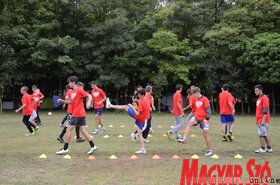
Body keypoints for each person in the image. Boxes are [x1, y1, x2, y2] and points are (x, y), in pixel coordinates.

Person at [56, 76, 97, 155]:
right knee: (83, 131)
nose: (69, 84)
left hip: (78, 114)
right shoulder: (73, 92)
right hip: (79, 114)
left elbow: (89, 96)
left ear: (73, 82)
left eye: (69, 82)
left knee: (68, 129)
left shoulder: (79, 90)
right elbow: (71, 102)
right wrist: (62, 101)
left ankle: (65, 149)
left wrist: (88, 103)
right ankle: (93, 146)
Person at [106, 88, 150, 154]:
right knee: (139, 134)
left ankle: (109, 105)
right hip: (142, 118)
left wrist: (132, 107)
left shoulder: (141, 102)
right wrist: (137, 100)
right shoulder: (144, 99)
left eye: (138, 94)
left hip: (140, 118)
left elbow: (138, 113)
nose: (137, 95)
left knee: (125, 107)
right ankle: (143, 149)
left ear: (142, 95)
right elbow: (142, 106)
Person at [178, 87, 213, 156]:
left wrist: (207, 119)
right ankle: (184, 138)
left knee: (205, 134)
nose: (192, 95)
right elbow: (193, 108)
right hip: (197, 116)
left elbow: (208, 110)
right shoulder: (194, 99)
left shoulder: (204, 99)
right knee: (190, 123)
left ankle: (210, 150)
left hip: (204, 119)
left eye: (193, 94)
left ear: (197, 93)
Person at [254, 85, 272, 153]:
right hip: (260, 119)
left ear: (261, 90)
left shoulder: (264, 98)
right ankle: (269, 148)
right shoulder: (259, 98)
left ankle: (262, 148)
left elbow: (265, 109)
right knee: (265, 134)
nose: (255, 92)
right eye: (255, 90)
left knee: (261, 134)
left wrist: (263, 120)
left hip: (262, 119)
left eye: (256, 90)